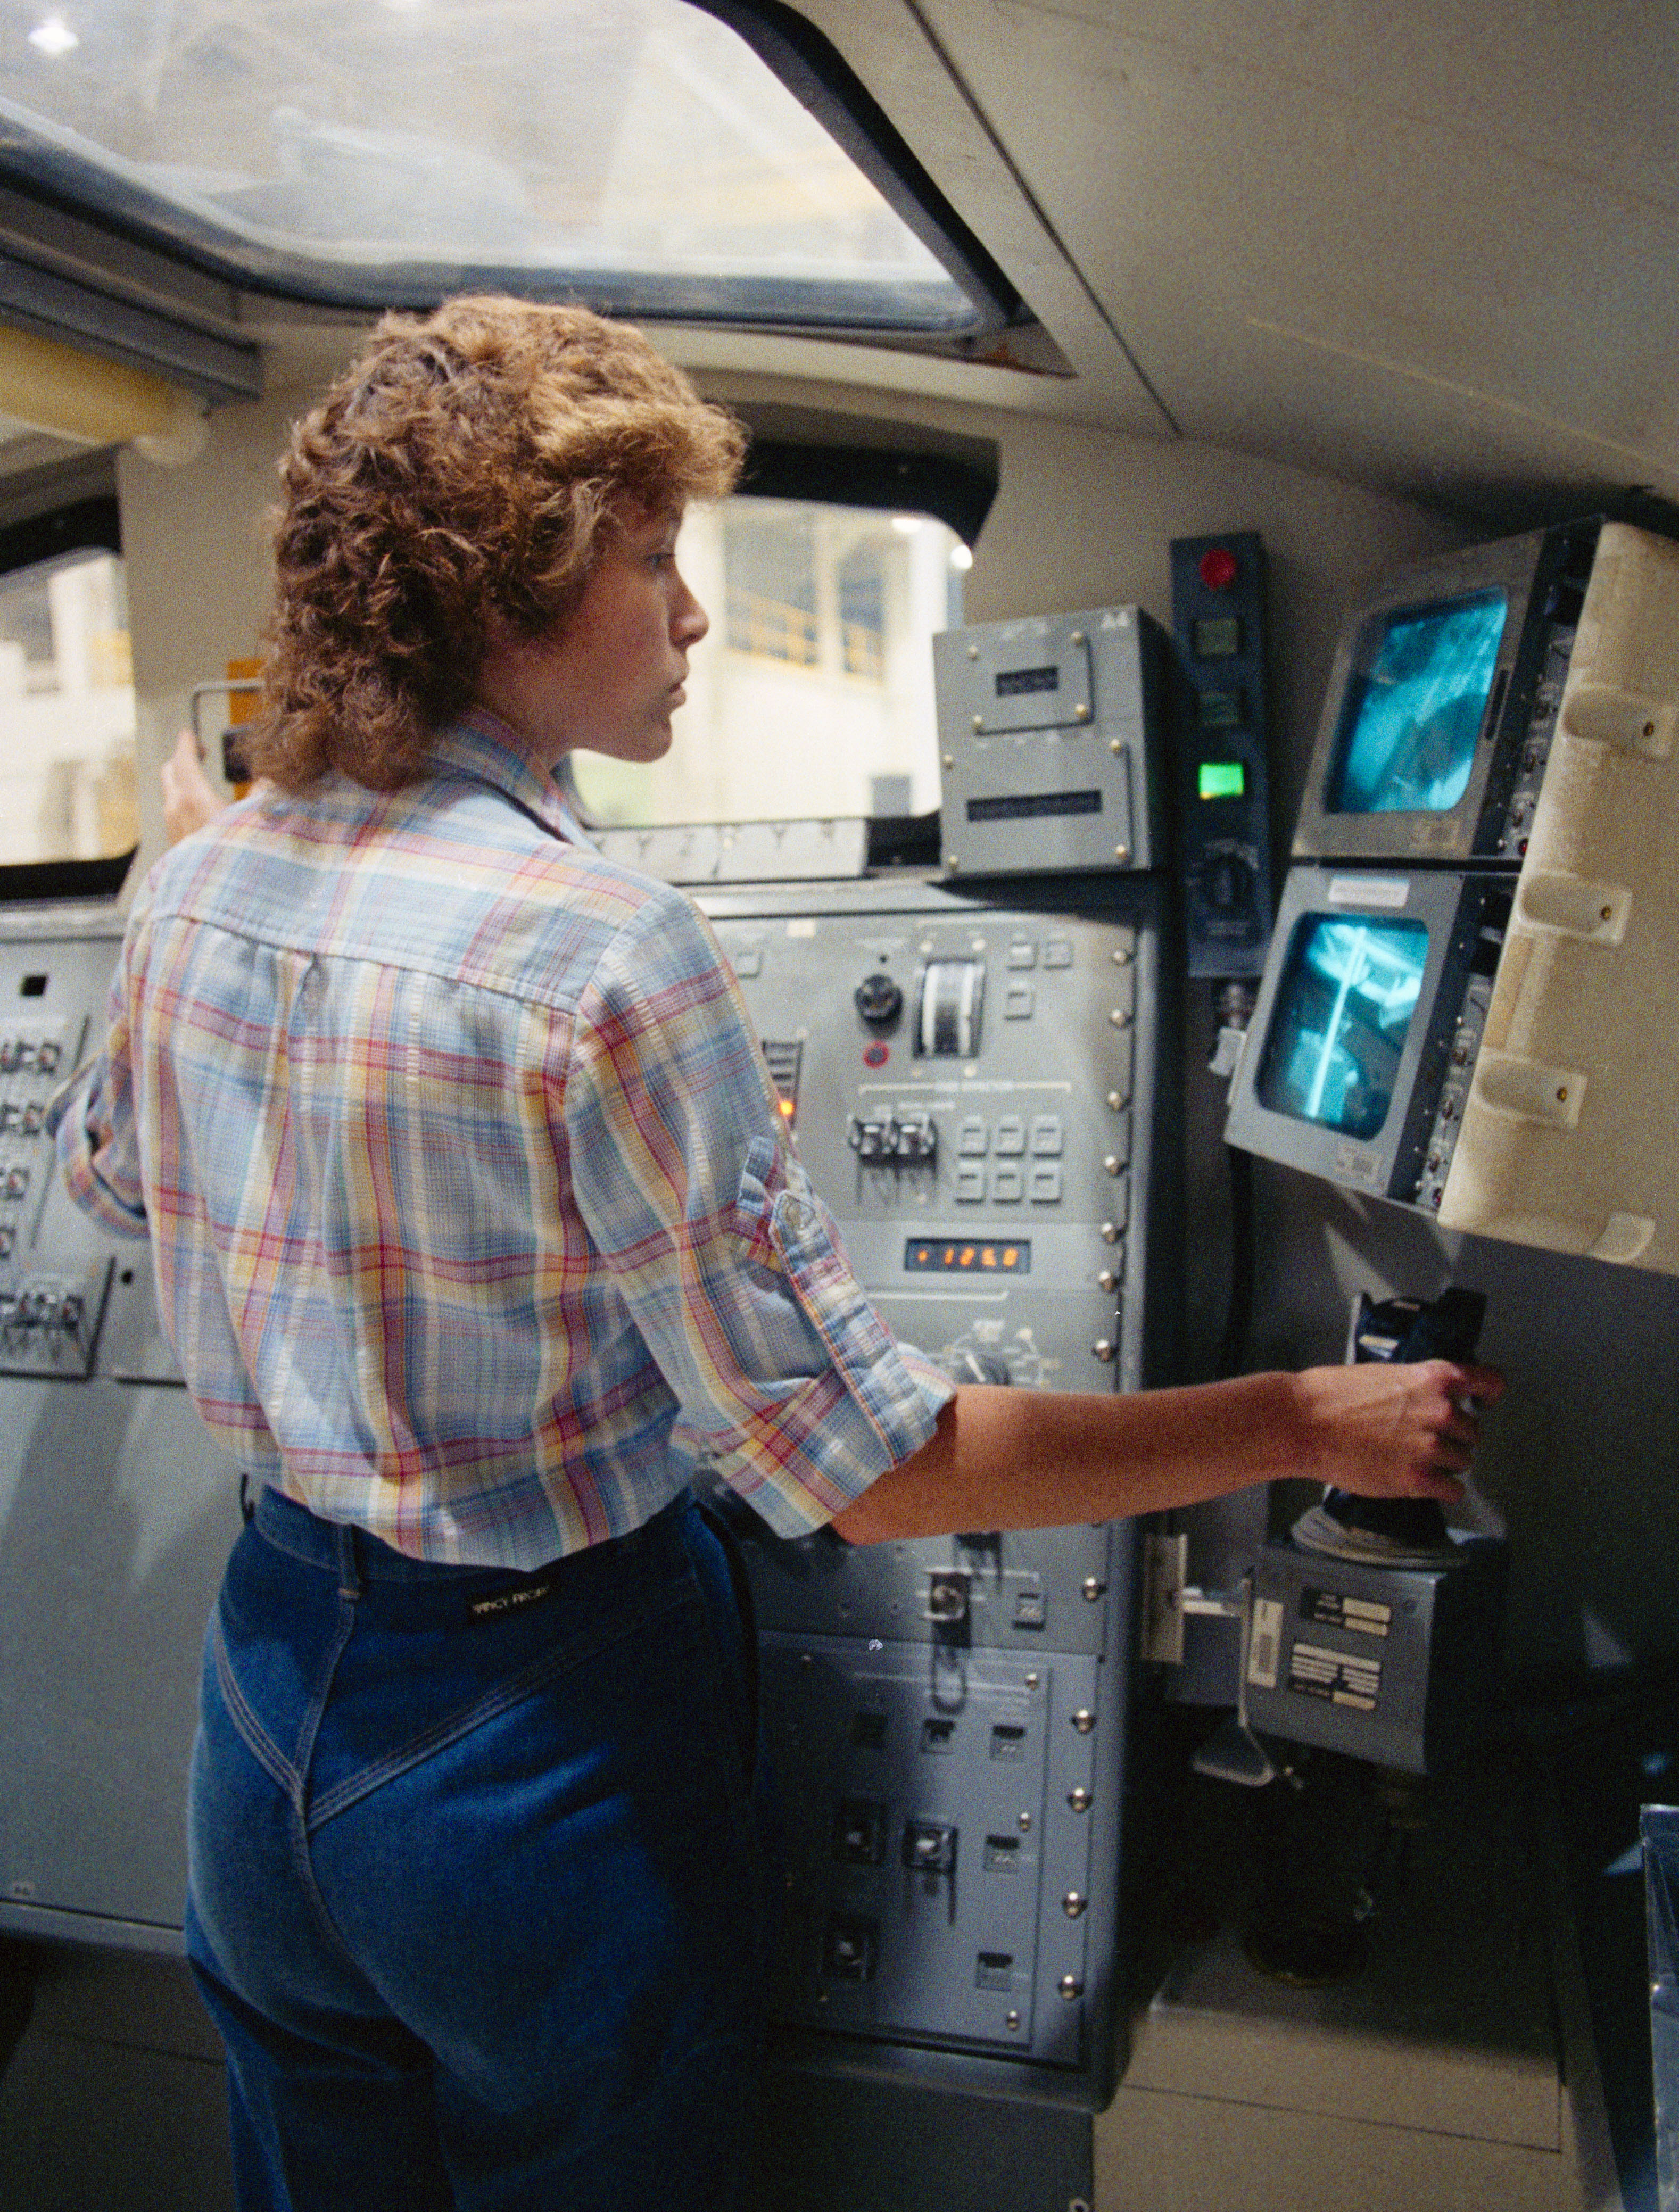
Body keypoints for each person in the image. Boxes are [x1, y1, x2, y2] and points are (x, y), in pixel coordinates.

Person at [51, 295, 1496, 2212]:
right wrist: (1308, 1417)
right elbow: (876, 1475)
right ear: (516, 594)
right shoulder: (604, 952)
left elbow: (119, 1194)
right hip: (527, 1727)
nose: (691, 614)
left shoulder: (199, 876)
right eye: (653, 561)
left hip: (263, 1710)